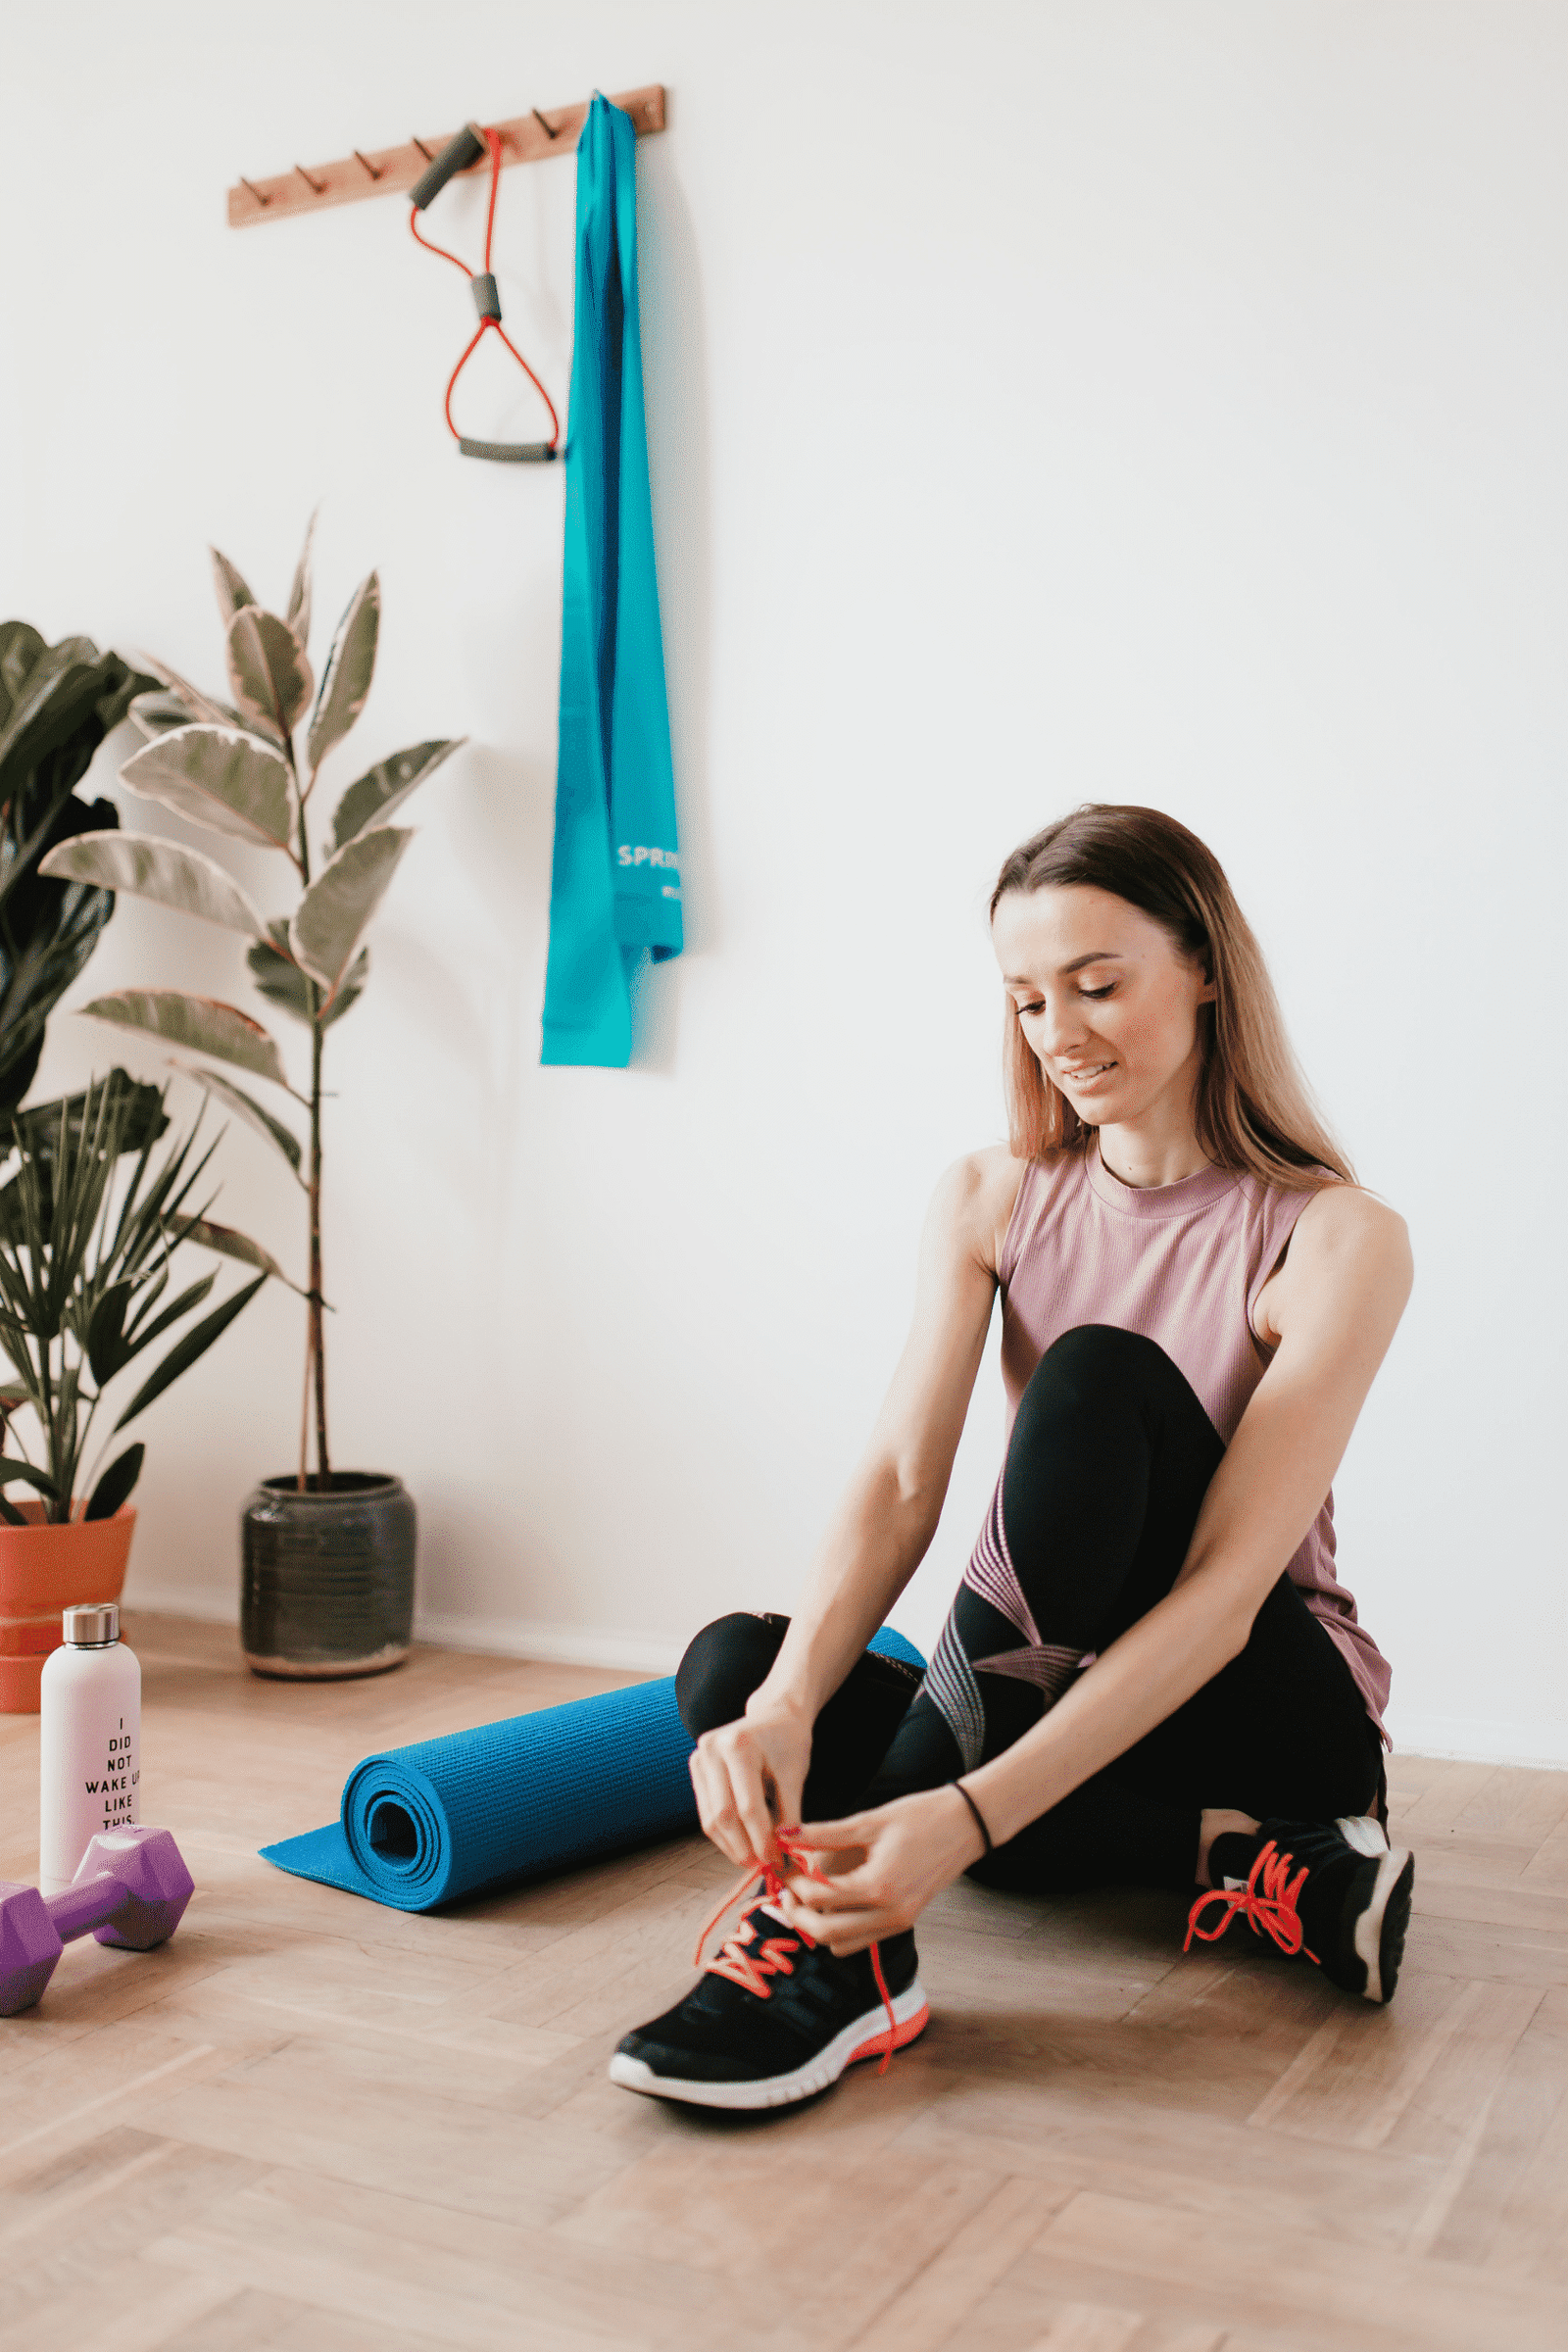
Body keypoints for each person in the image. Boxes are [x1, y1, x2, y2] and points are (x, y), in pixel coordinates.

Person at [612, 804, 1415, 2112]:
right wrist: (786, 1708)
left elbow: (1219, 1597)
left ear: (1204, 966)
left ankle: (843, 1961)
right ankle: (1259, 1868)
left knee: (1095, 1378)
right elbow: (900, 1482)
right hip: (1058, 1689)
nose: (1062, 1034)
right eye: (1029, 1000)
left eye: (1098, 986)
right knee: (740, 1670)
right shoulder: (995, 1196)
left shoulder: (1335, 1238)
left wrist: (967, 1814)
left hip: (1263, 1700)